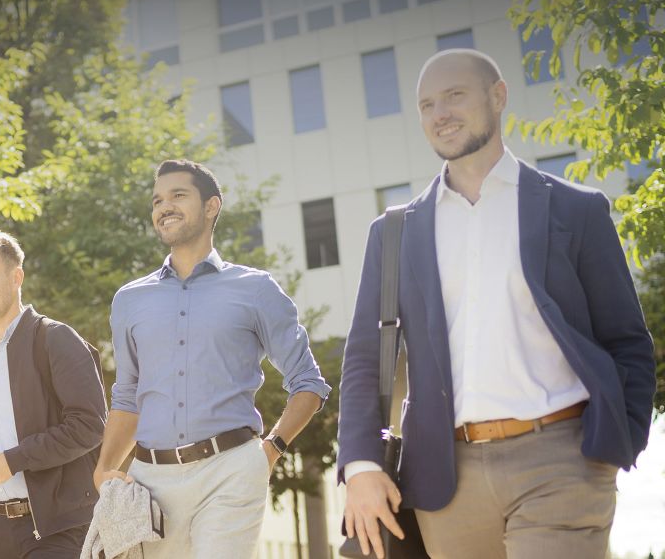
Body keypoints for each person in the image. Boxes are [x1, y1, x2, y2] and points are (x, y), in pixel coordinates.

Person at [337, 49, 655, 559]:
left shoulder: (576, 210)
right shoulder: (394, 233)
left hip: (561, 459)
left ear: (498, 96)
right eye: (426, 104)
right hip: (445, 476)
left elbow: (626, 341)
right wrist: (360, 465)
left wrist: (616, 444)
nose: (440, 113)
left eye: (455, 95)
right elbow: (361, 361)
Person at [93, 159, 331, 558]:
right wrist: (103, 468)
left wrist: (271, 449)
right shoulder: (129, 300)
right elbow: (128, 396)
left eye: (177, 196)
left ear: (211, 206)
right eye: (157, 200)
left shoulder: (255, 289)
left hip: (231, 471)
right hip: (149, 483)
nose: (164, 206)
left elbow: (308, 382)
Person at [0, 229, 108, 559]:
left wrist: (12, 461)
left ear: (16, 277)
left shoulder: (56, 339)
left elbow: (89, 426)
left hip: (59, 530)